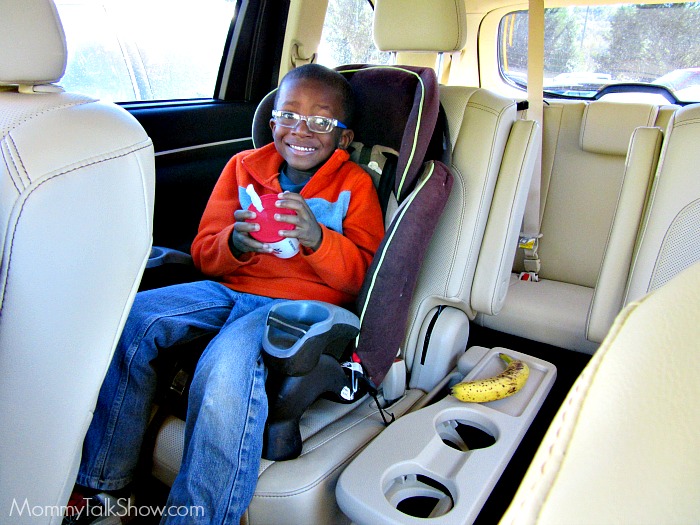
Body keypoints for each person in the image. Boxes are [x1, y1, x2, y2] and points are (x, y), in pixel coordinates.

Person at [64, 63, 384, 524]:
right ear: (271, 122)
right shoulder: (242, 169)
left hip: (298, 307)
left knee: (224, 364)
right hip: (231, 288)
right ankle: (104, 488)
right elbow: (204, 253)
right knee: (131, 319)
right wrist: (235, 244)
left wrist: (317, 238)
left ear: (343, 137)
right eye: (289, 115)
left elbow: (360, 277)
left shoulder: (353, 185)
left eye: (320, 121)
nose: (302, 129)